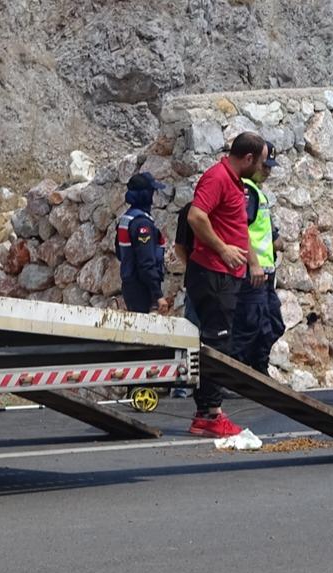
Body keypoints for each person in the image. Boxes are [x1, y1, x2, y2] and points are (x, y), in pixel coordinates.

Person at [184, 131, 266, 437]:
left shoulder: (237, 184)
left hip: (227, 275)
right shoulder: (217, 177)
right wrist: (222, 249)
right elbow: (196, 216)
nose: (262, 167)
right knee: (215, 343)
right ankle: (209, 414)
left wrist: (252, 262)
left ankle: (209, 411)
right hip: (211, 273)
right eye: (260, 161)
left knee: (221, 341)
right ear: (247, 158)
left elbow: (238, 228)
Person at [230, 142, 286, 375]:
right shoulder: (246, 190)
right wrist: (253, 263)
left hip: (264, 271)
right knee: (248, 327)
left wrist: (275, 239)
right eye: (265, 166)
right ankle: (234, 374)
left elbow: (260, 228)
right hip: (251, 272)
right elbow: (240, 228)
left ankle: (257, 369)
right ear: (251, 162)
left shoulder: (256, 191)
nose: (268, 171)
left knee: (272, 324)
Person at [115, 172, 169, 314]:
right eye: (152, 192)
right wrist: (158, 295)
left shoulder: (126, 218)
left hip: (130, 286)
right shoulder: (142, 224)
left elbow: (120, 254)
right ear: (146, 195)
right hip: (142, 290)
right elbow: (146, 263)